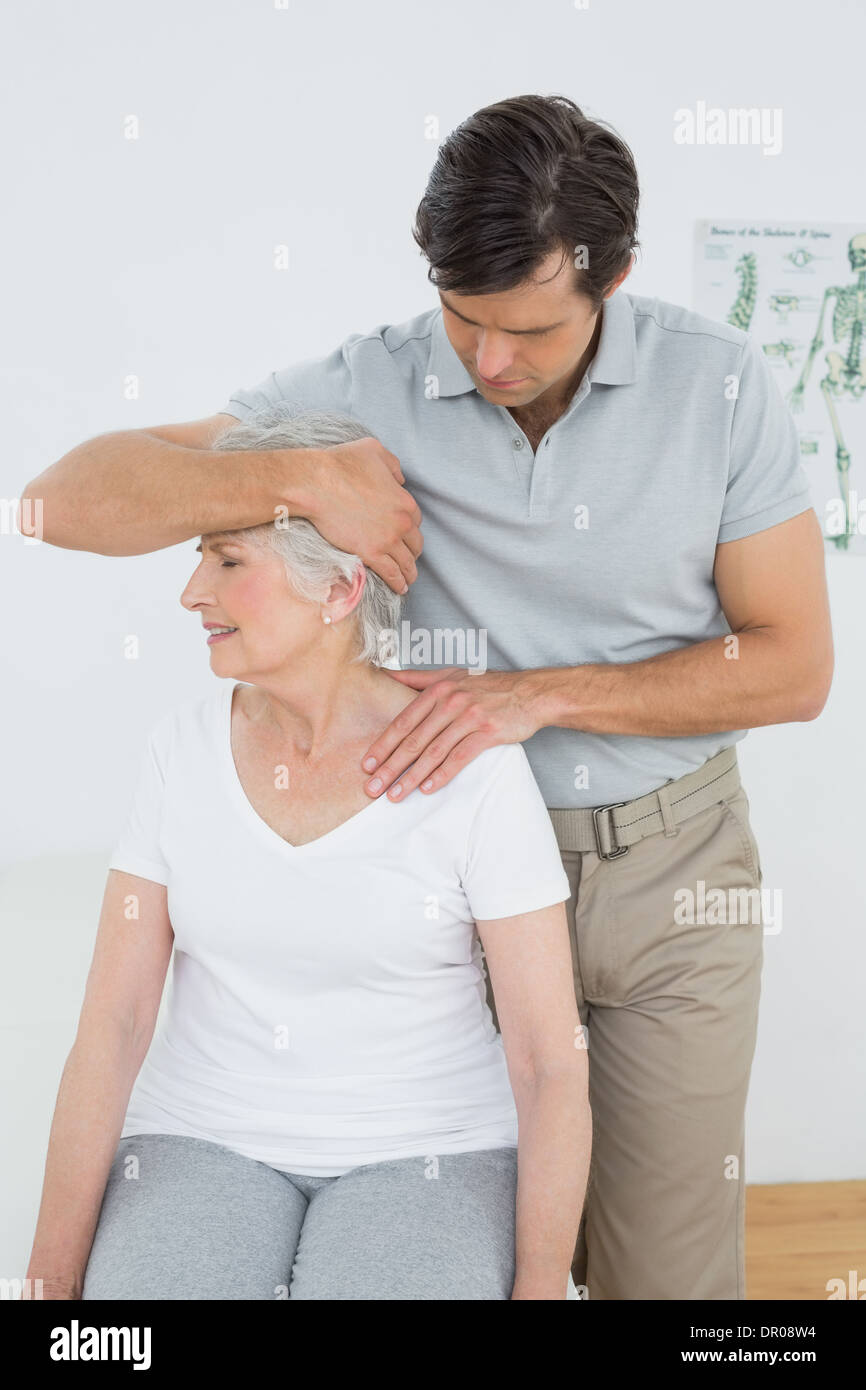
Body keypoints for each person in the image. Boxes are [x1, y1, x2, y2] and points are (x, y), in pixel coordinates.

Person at [20, 94, 834, 1300]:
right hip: (451, 872)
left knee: (663, 1279)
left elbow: (792, 666)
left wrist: (528, 697)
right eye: (463, 321)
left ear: (610, 277)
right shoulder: (370, 386)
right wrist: (301, 471)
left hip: (668, 868)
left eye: (531, 331)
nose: (490, 362)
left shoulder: (719, 389)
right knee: (478, 1223)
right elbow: (60, 502)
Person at [23, 407, 589, 1302]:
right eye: (199, 558)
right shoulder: (180, 751)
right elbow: (114, 1028)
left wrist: (540, 1289)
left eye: (229, 561)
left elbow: (548, 1060)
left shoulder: (474, 770)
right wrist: (45, 1293)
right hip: (199, 1138)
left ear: (339, 592)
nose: (191, 593)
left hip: (428, 1151)